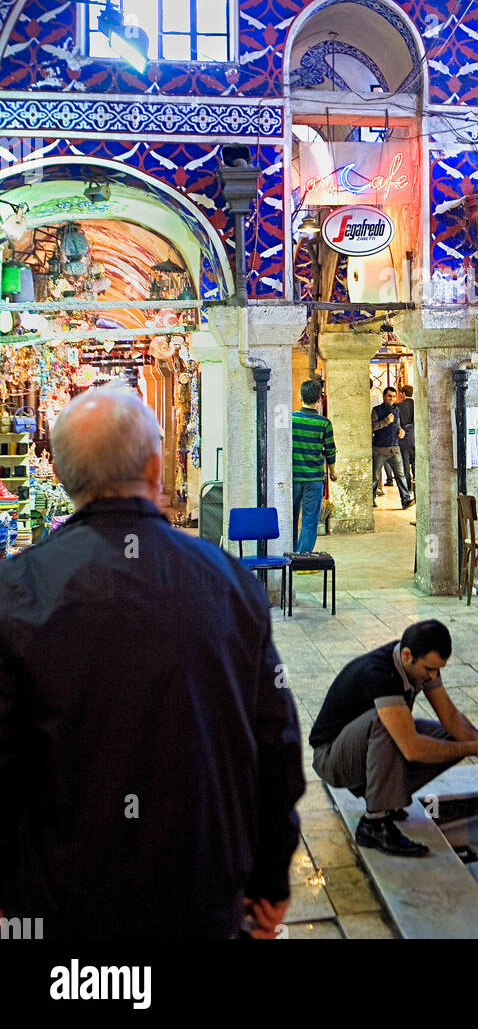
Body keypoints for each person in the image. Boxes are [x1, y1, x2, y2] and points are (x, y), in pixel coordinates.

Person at [0, 382, 305, 939]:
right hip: (200, 896)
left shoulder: (18, 593)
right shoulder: (230, 584)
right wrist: (269, 875)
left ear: (64, 477)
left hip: (63, 910)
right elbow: (276, 744)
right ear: (157, 467)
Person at [310, 620, 478, 857]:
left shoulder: (419, 662)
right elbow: (412, 748)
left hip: (362, 751)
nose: (433, 676)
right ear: (406, 655)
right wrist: (474, 747)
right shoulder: (381, 674)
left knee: (453, 740)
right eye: (429, 669)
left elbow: (451, 718)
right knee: (385, 724)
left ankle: (385, 799)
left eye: (438, 669)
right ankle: (374, 822)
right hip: (332, 757)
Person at [292, 378, 337, 552]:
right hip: (314, 478)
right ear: (319, 399)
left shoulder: (291, 420)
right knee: (310, 519)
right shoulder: (324, 423)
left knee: (292, 518)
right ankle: (304, 559)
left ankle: (291, 555)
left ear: (300, 396)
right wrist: (333, 472)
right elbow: (330, 450)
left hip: (293, 477)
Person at [372, 387, 413, 509]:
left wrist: (401, 431)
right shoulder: (376, 410)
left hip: (395, 448)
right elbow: (372, 427)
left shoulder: (397, 410)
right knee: (375, 477)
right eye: (389, 396)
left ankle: (405, 500)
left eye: (394, 396)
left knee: (400, 476)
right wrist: (386, 421)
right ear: (384, 396)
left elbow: (398, 425)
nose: (392, 399)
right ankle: (371, 500)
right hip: (380, 450)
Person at [397, 383, 415, 491]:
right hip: (416, 438)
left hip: (404, 439)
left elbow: (397, 424)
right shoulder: (417, 405)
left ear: (403, 393)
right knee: (416, 463)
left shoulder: (398, 406)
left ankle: (408, 488)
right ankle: (417, 487)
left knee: (405, 465)